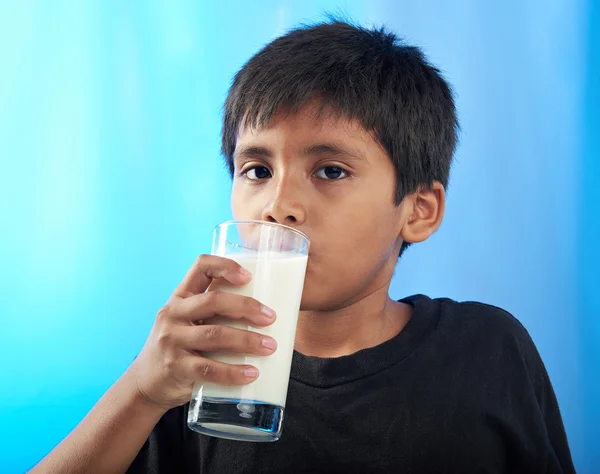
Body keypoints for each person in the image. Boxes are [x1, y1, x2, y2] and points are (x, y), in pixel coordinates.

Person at [31, 19, 575, 474]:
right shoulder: (190, 366)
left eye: (331, 170)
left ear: (418, 210)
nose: (277, 205)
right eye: (257, 169)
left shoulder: (488, 349)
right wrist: (143, 392)